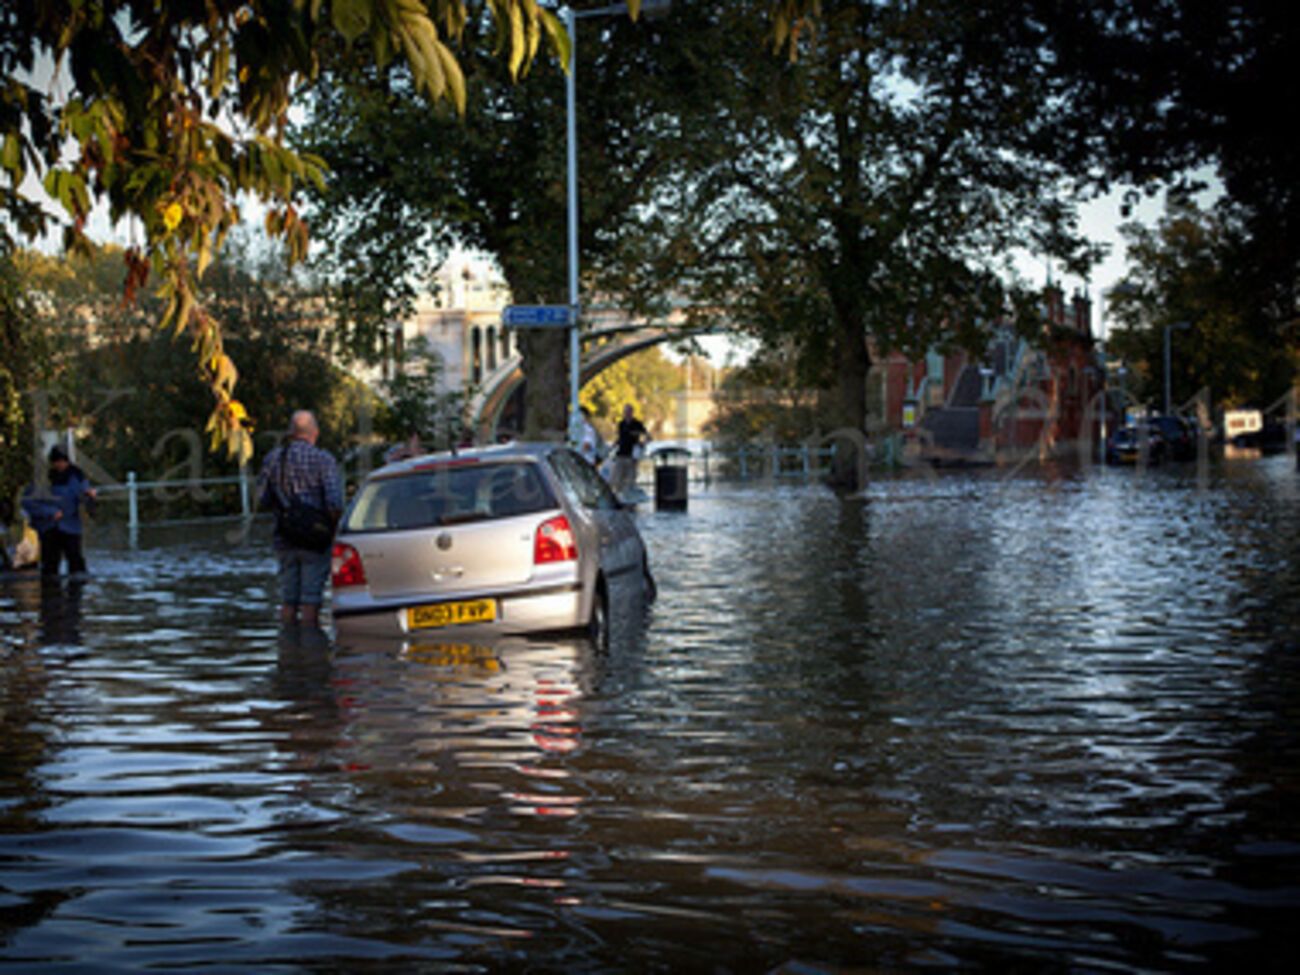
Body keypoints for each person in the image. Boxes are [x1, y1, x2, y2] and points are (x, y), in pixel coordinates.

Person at [258, 410, 343, 628]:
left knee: (288, 600)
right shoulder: (324, 460)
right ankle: (309, 651)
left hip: (284, 538)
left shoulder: (273, 459)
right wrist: (334, 533)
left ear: (290, 433)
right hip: (315, 540)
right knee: (311, 601)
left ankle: (288, 649)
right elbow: (334, 504)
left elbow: (262, 499)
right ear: (314, 432)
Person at [21, 445, 97, 578]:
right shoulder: (41, 480)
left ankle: (76, 596)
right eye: (57, 461)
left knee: (76, 565)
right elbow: (28, 502)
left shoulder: (77, 477)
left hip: (71, 527)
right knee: (50, 566)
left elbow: (86, 500)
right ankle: (51, 595)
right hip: (48, 527)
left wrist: (89, 496)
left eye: (63, 461)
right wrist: (50, 512)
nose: (60, 465)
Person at [611, 403, 649, 494]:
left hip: (632, 456)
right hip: (620, 454)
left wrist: (642, 444)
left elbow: (648, 436)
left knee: (630, 479)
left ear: (632, 412)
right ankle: (618, 494)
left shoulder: (637, 424)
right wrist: (613, 445)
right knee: (617, 478)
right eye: (625, 411)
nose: (627, 413)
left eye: (629, 411)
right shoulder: (621, 424)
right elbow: (620, 438)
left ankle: (629, 495)